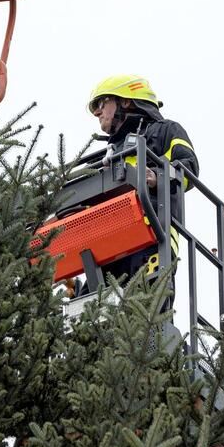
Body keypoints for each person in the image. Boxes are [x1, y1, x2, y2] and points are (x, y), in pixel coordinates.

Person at [87, 74, 199, 291]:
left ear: (126, 101)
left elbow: (190, 169)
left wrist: (157, 177)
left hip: (153, 234)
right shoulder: (108, 152)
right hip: (107, 245)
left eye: (102, 103)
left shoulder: (166, 130)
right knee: (90, 307)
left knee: (148, 309)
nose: (97, 112)